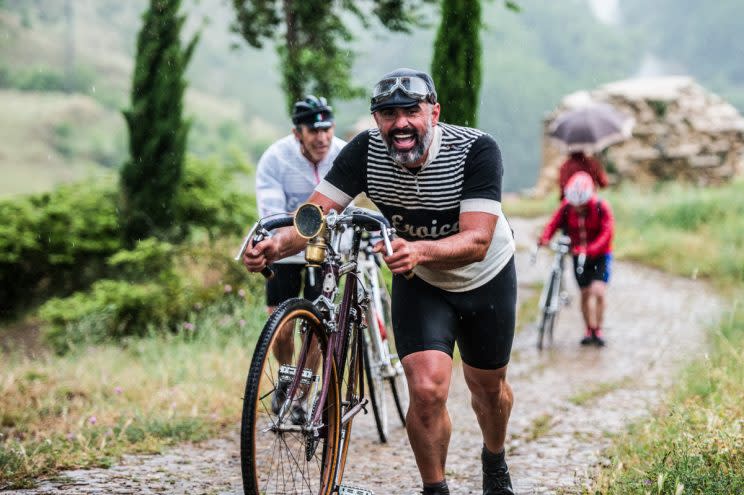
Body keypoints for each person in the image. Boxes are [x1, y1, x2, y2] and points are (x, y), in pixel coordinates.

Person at [243, 68, 518, 495]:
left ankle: (494, 457)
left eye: (411, 111)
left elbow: (478, 239)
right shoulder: (365, 152)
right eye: (388, 114)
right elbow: (317, 214)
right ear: (376, 120)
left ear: (435, 112)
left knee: (488, 390)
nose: (400, 123)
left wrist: (420, 249)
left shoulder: (476, 149)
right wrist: (274, 245)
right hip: (421, 279)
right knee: (426, 390)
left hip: (485, 276)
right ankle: (435, 489)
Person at [254, 95, 346, 422]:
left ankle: (300, 397)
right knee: (282, 329)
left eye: (327, 129)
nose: (322, 137)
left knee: (316, 328)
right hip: (287, 246)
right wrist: (282, 241)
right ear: (298, 133)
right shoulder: (275, 159)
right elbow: (272, 213)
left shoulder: (342, 153)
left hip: (327, 251)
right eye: (313, 130)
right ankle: (286, 376)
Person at [539, 171, 614, 346]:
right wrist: (544, 238)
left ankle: (598, 329)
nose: (578, 208)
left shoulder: (601, 207)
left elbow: (607, 233)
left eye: (582, 205)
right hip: (578, 255)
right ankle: (589, 329)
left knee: (598, 291)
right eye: (575, 205)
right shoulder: (566, 206)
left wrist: (590, 249)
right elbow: (553, 223)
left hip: (600, 255)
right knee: (585, 292)